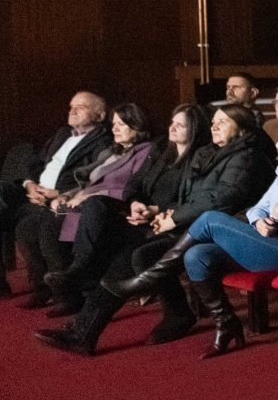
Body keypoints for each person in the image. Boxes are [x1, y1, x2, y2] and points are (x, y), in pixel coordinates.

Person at [104, 108, 278, 359]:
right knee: (196, 256)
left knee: (210, 219)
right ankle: (226, 323)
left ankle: (147, 279)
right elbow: (259, 208)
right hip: (268, 238)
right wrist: (262, 221)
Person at [38, 104, 274, 356]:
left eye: (223, 122)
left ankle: (170, 313)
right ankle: (84, 330)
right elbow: (189, 197)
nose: (214, 126)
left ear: (241, 129)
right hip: (191, 224)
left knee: (140, 255)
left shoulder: (246, 156)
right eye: (214, 121)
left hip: (221, 232)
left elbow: (222, 198)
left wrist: (174, 218)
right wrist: (162, 213)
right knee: (125, 257)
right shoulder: (213, 153)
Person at [34, 103, 209, 313]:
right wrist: (137, 203)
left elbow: (191, 199)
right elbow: (136, 185)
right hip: (138, 214)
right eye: (172, 123)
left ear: (196, 129)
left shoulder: (194, 158)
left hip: (167, 222)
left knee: (120, 250)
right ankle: (72, 291)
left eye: (180, 125)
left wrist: (151, 210)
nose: (171, 127)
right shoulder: (164, 154)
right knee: (47, 223)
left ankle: (82, 276)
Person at [0, 91, 112, 302]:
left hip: (57, 199)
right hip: (33, 191)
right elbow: (37, 165)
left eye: (82, 107)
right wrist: (29, 183)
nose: (73, 111)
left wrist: (57, 193)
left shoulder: (103, 142)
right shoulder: (62, 134)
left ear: (100, 115)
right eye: (71, 106)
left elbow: (95, 177)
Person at [14, 104, 157, 312]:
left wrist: (88, 195)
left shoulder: (146, 151)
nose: (115, 129)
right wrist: (67, 195)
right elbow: (86, 184)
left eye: (121, 124)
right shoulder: (112, 152)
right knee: (27, 226)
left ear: (137, 126)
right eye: (113, 124)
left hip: (113, 206)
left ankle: (72, 285)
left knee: (52, 226)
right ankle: (44, 288)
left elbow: (134, 186)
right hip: (86, 202)